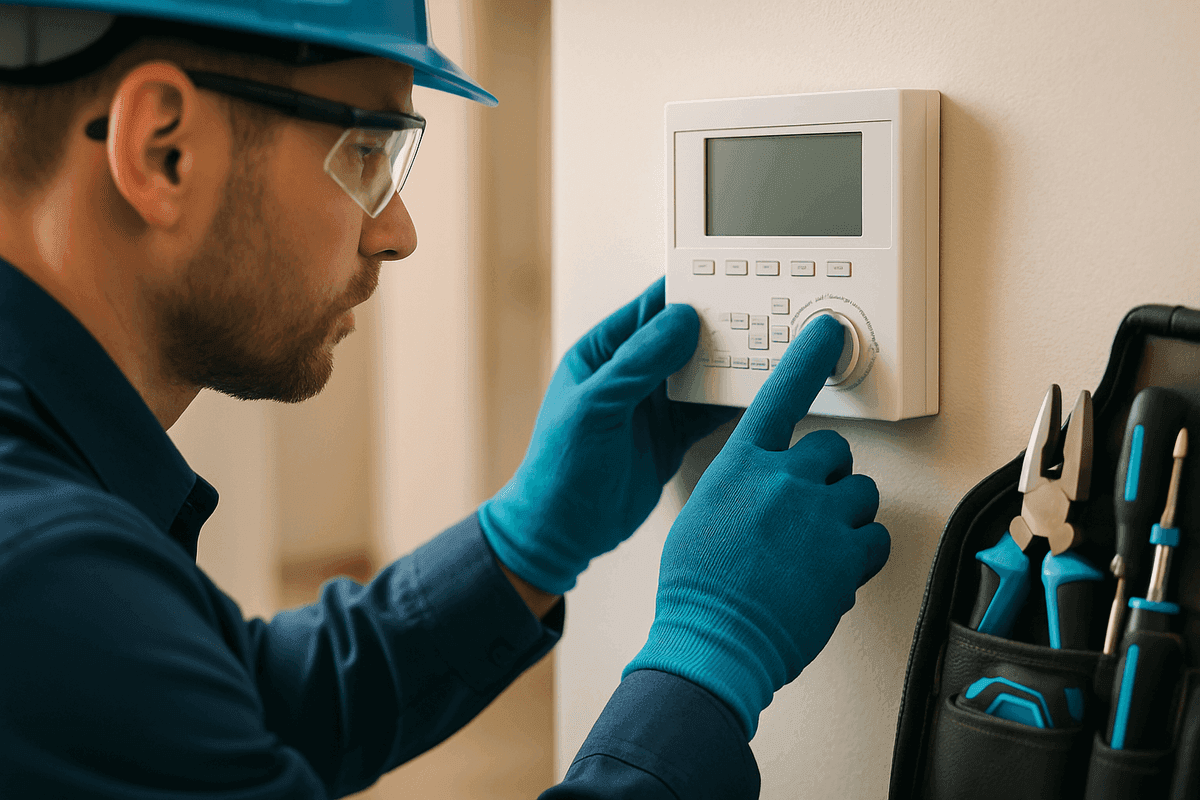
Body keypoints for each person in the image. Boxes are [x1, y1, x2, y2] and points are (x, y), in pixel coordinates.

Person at [0, 2, 891, 797]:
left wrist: (526, 540)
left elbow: (241, 712)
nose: (398, 232)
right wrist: (704, 662)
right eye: (365, 152)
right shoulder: (39, 578)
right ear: (165, 149)